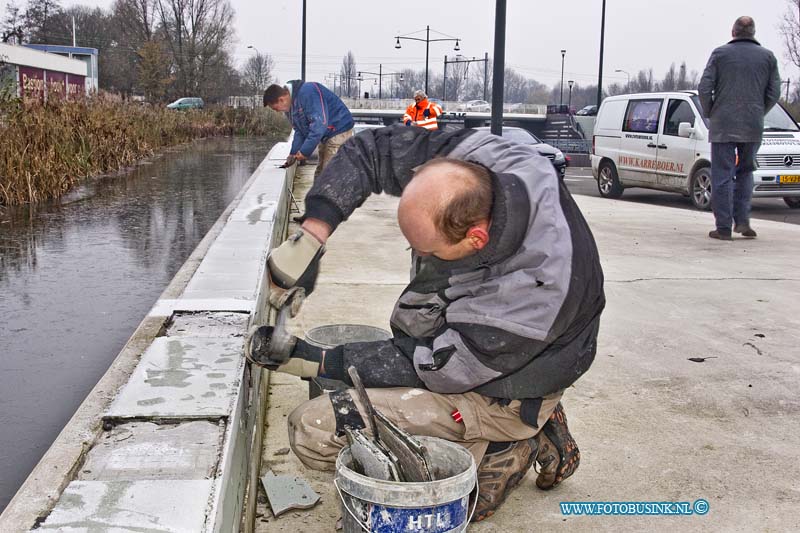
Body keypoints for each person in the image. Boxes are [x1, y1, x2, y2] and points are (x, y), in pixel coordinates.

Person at [251, 125, 605, 522]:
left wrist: (316, 360)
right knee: (414, 320)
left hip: (503, 383)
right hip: (506, 345)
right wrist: (312, 235)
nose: (417, 256)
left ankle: (509, 441)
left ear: (475, 237)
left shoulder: (530, 296)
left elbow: (436, 367)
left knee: (313, 430)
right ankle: (510, 429)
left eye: (422, 249)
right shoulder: (490, 158)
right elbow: (369, 149)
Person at [698, 16, 781, 240]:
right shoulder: (768, 57)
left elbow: (704, 88)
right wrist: (757, 111)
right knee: (746, 172)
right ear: (753, 33)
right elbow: (774, 93)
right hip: (753, 123)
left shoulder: (720, 54)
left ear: (733, 32)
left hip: (723, 123)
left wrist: (711, 112)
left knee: (722, 175)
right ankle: (742, 221)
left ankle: (723, 227)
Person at [263, 81, 354, 177]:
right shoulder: (290, 108)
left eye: (275, 108)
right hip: (326, 134)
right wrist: (293, 153)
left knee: (330, 174)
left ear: (281, 100)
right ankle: (318, 191)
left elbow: (319, 124)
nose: (277, 111)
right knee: (321, 172)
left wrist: (304, 151)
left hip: (339, 128)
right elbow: (300, 131)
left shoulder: (308, 92)